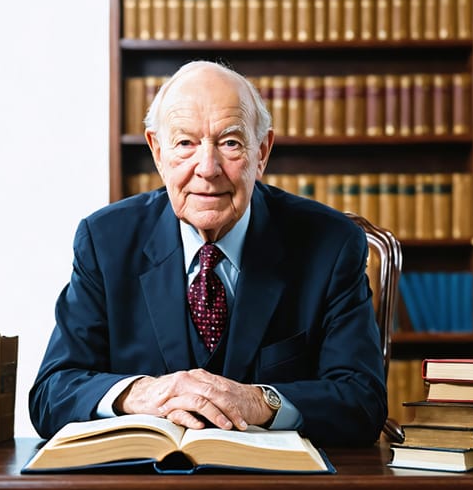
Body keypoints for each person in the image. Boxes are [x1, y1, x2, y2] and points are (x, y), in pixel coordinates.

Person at [29, 61, 386, 447]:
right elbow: (52, 393)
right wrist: (142, 395)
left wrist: (258, 401)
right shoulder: (105, 241)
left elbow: (362, 401)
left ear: (262, 151)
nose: (208, 168)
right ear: (157, 151)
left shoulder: (330, 243)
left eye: (230, 143)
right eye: (185, 144)